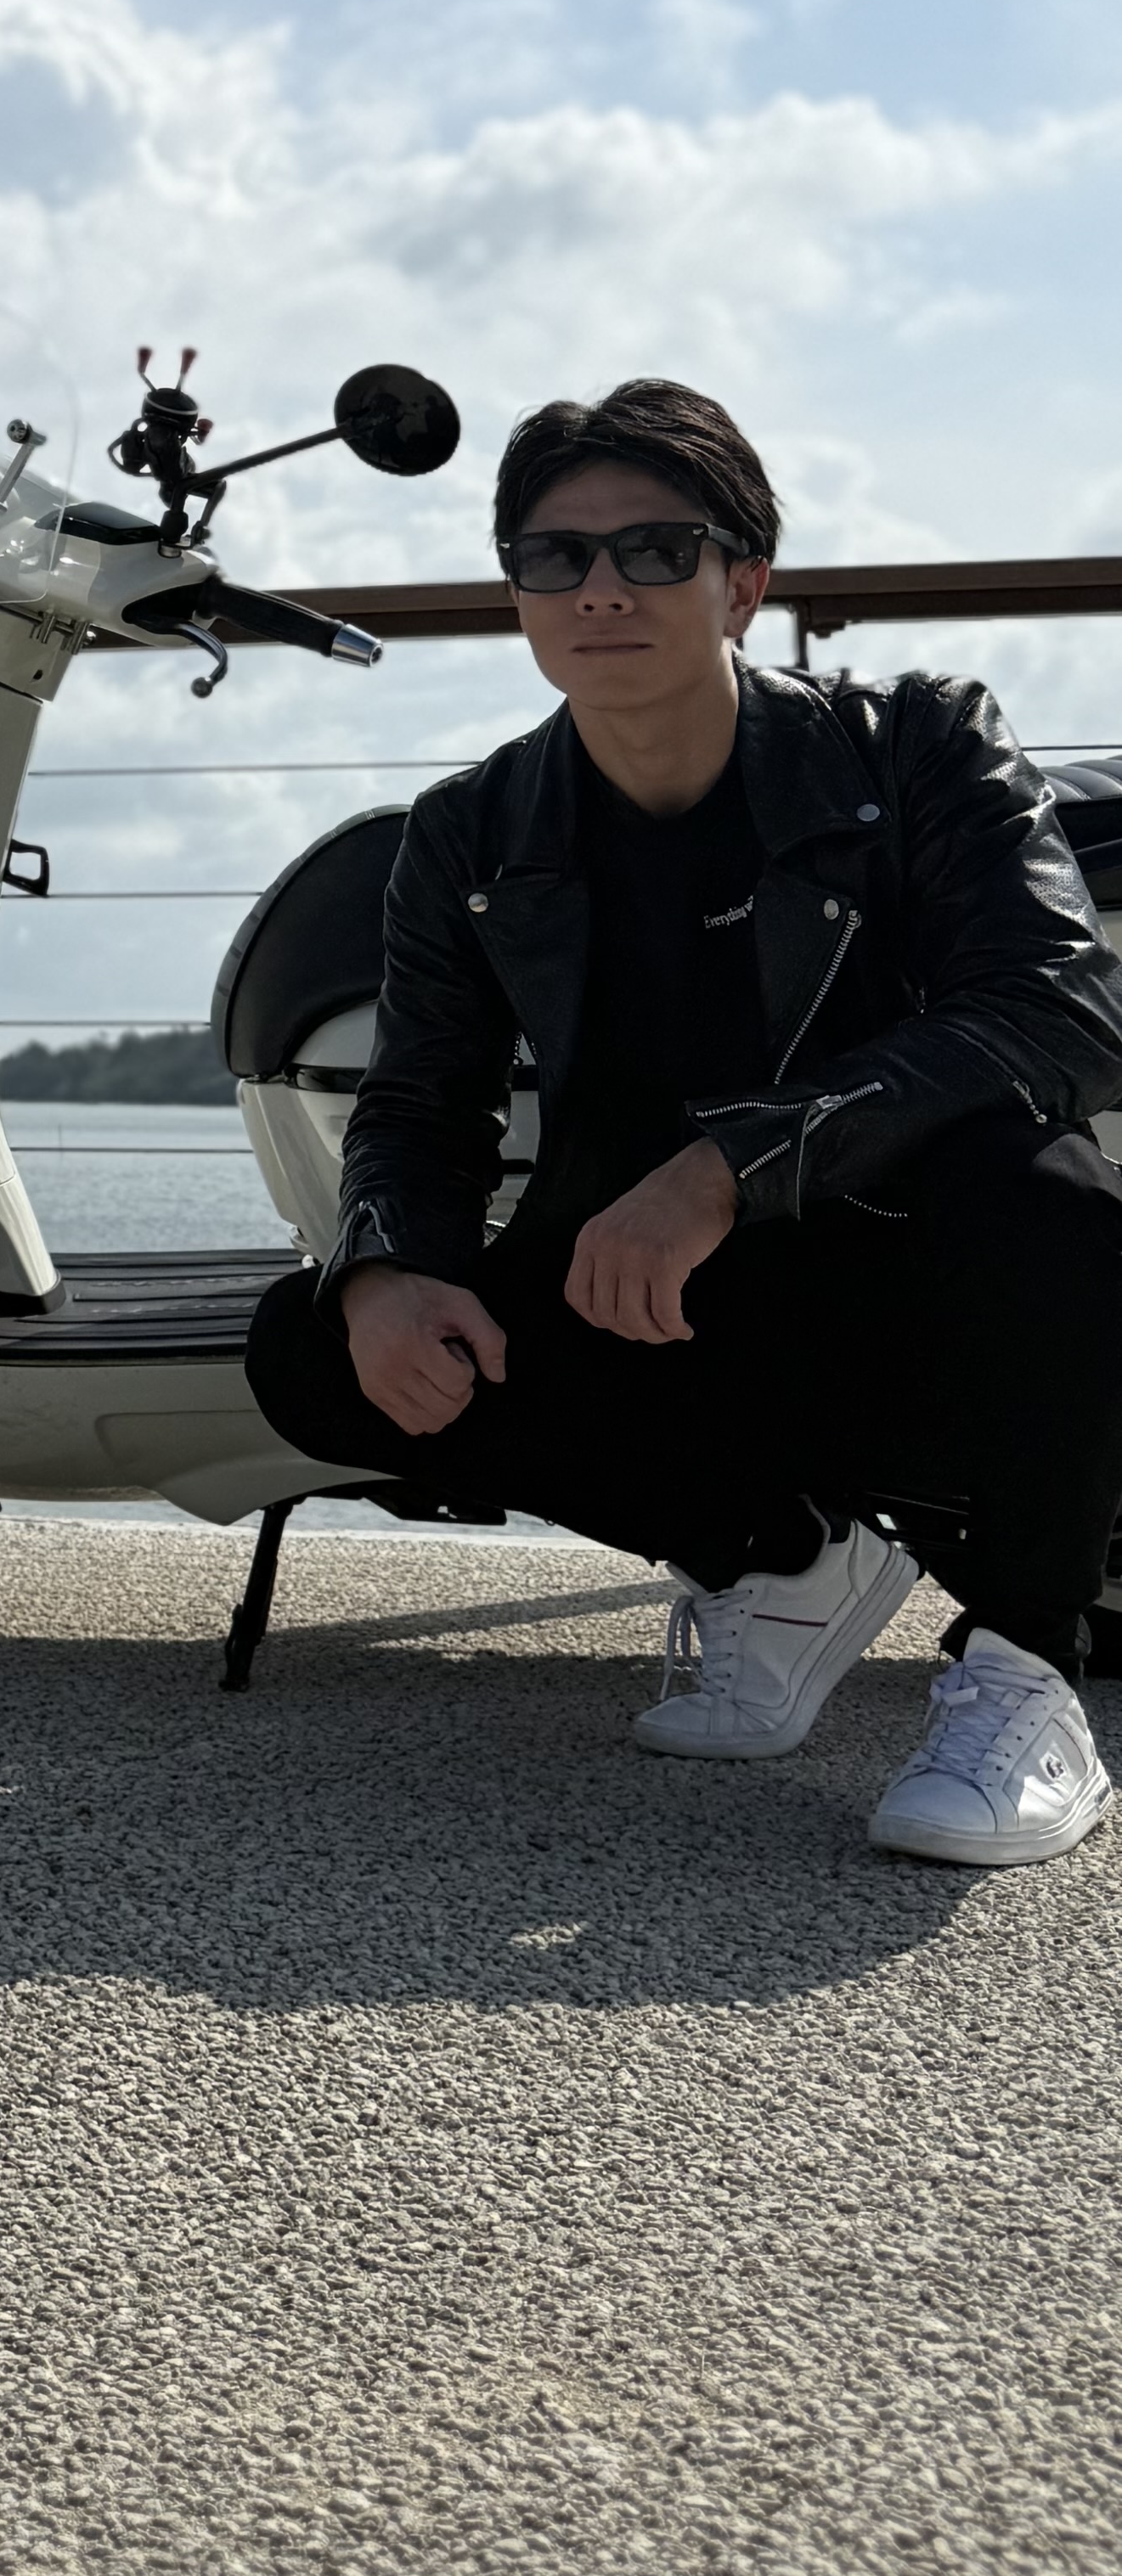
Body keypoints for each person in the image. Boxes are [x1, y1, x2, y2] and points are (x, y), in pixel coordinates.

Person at [244, 376, 1122, 1865]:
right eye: (555, 556)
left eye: (655, 550)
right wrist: (386, 1270)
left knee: (1057, 1204)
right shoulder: (472, 830)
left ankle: (1026, 1679)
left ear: (743, 584)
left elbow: (1060, 1012)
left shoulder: (915, 746)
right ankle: (782, 1565)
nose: (602, 589)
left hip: (917, 1276)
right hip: (659, 1306)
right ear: (518, 592)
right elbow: (421, 1102)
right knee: (312, 1345)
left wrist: (728, 1166)